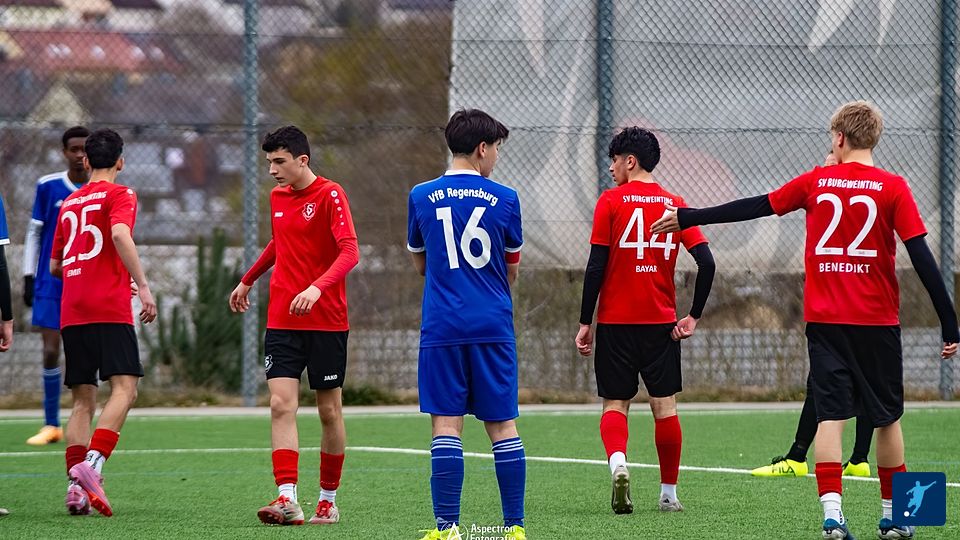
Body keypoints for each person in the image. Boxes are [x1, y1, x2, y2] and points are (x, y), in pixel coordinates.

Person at [651, 101, 959, 540]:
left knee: (831, 417)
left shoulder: (816, 181)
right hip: (877, 323)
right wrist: (949, 322)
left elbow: (755, 206)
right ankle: (897, 517)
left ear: (840, 138)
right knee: (888, 418)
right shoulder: (894, 187)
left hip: (826, 324)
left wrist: (689, 216)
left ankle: (833, 516)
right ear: (874, 139)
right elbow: (923, 258)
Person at [576, 127, 715, 515]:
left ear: (630, 161)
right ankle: (668, 494)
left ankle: (619, 464)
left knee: (615, 404)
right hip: (661, 324)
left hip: (617, 323)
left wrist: (586, 321)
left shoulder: (610, 201)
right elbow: (707, 263)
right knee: (664, 407)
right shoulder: (675, 204)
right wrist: (693, 316)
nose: (611, 168)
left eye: (614, 160)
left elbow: (596, 266)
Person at [229, 126, 359, 526]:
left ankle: (328, 501)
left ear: (302, 160)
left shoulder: (331, 194)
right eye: (269, 162)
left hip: (326, 321)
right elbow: (279, 243)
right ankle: (287, 498)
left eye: (279, 161)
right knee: (280, 404)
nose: (272, 169)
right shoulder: (277, 197)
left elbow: (350, 251)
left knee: (328, 411)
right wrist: (248, 279)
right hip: (282, 320)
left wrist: (318, 288)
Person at [407, 109, 526, 540]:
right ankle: (514, 528)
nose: (496, 157)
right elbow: (511, 270)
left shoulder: (420, 195)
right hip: (492, 325)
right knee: (503, 426)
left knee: (445, 424)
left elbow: (421, 264)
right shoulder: (507, 198)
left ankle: (447, 529)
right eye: (496, 149)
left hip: (442, 326)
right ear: (481, 149)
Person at [51, 128, 158, 517]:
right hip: (108, 306)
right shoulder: (121, 194)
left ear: (85, 160)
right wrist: (141, 284)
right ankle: (92, 466)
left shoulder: (69, 202)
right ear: (121, 161)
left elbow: (56, 265)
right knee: (125, 389)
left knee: (83, 399)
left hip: (73, 307)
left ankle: (74, 489)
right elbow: (118, 234)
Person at [752, 152, 874, 481]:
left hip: (838, 312)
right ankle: (860, 460)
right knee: (872, 387)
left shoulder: (834, 194)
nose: (823, 167)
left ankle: (805, 465)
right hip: (870, 312)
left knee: (826, 390)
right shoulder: (876, 194)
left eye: (831, 161)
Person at [22, 125, 90, 446]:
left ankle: (84, 417)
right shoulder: (48, 186)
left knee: (85, 354)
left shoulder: (100, 190)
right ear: (64, 152)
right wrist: (27, 276)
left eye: (84, 149)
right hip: (50, 282)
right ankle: (51, 424)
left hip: (86, 282)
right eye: (73, 149)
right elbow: (35, 232)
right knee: (51, 350)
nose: (79, 155)